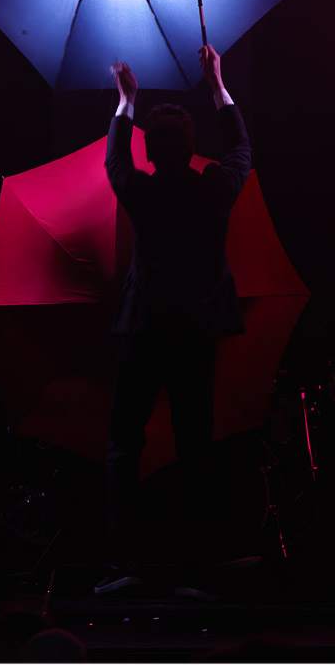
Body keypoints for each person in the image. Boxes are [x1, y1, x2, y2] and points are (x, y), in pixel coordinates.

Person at [95, 45, 251, 595]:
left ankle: (125, 566)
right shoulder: (214, 189)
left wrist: (126, 102)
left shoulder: (138, 190)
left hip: (143, 329)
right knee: (196, 448)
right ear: (190, 150)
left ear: (151, 153)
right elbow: (240, 146)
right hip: (197, 332)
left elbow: (115, 160)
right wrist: (217, 85)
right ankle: (196, 568)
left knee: (122, 444)